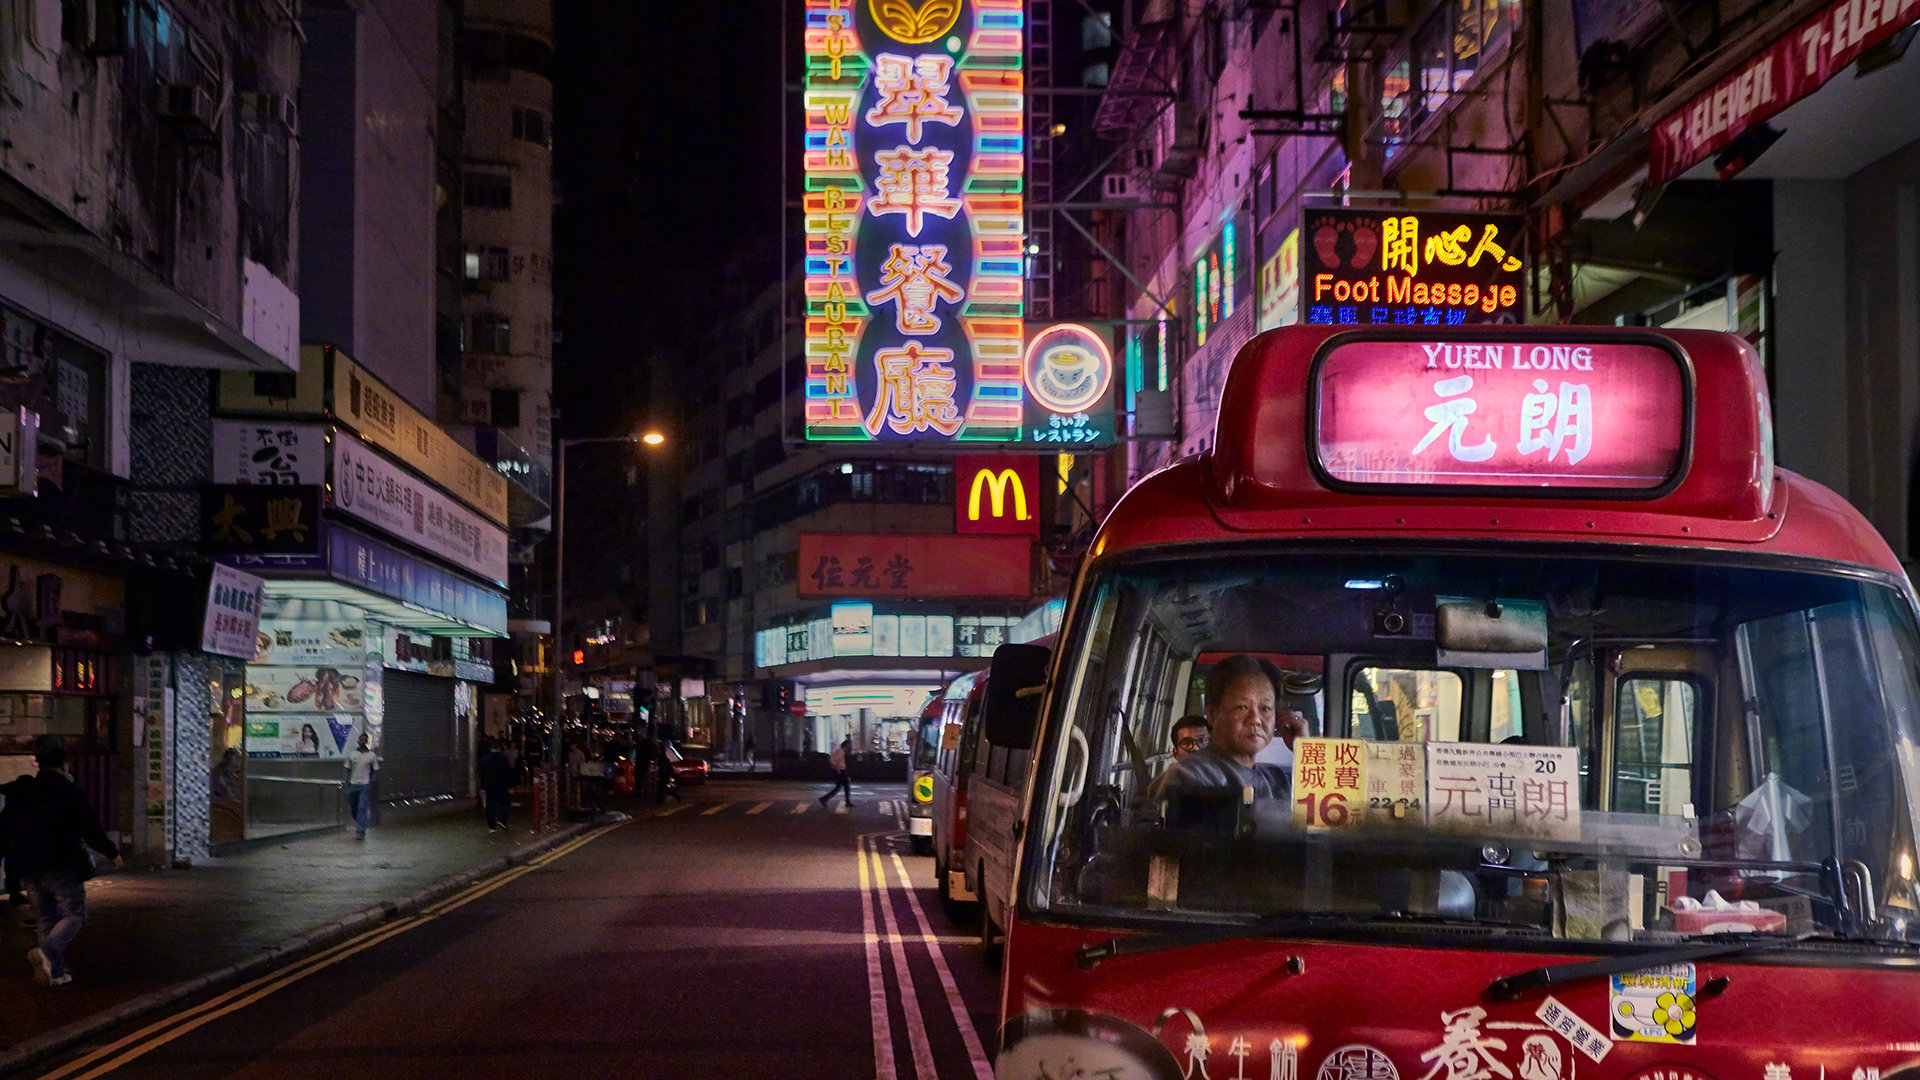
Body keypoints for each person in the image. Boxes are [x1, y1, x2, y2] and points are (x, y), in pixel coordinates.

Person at [7, 745, 120, 987]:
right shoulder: (70, 792)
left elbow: (8, 827)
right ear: (63, 765)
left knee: (45, 918)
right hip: (61, 863)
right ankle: (46, 952)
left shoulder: (24, 791)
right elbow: (89, 828)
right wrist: (112, 852)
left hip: (28, 865)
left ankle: (55, 973)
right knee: (74, 914)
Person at [1154, 655, 1297, 807]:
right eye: (1242, 707)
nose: (1256, 719)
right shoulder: (1188, 776)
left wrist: (1303, 749)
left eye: (1266, 709)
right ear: (1212, 714)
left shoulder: (1280, 779)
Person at [344, 734, 378, 840]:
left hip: (364, 785)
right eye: (361, 740)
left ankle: (360, 831)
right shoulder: (352, 754)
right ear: (358, 741)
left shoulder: (371, 755)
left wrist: (370, 781)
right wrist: (347, 783)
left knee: (362, 808)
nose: (362, 741)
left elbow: (375, 770)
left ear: (366, 742)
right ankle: (360, 821)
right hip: (353, 784)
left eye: (364, 740)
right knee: (354, 807)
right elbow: (348, 769)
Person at [476, 739, 513, 833]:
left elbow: (480, 772)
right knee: (505, 802)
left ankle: (492, 826)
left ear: (490, 748)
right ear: (499, 748)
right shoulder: (503, 758)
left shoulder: (485, 759)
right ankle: (502, 819)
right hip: (501, 784)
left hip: (489, 784)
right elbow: (508, 771)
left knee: (490, 804)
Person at [818, 735, 853, 809]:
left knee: (839, 787)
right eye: (848, 746)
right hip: (840, 771)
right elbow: (834, 761)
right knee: (845, 786)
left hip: (838, 771)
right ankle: (847, 802)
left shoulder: (839, 751)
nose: (849, 748)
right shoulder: (840, 753)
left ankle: (824, 799)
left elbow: (831, 759)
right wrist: (838, 770)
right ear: (846, 746)